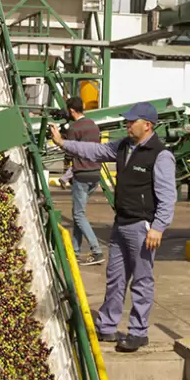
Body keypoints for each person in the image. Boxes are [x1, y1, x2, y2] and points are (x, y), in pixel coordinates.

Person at [49, 101, 176, 353]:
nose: (127, 125)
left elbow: (167, 196)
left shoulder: (160, 156)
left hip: (143, 227)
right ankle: (107, 326)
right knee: (115, 278)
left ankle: (139, 333)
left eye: (132, 121)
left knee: (141, 281)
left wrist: (158, 227)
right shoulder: (123, 146)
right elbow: (95, 152)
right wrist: (63, 143)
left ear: (147, 125)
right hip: (121, 223)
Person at [61, 96, 105, 266]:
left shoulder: (74, 128)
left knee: (78, 215)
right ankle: (75, 251)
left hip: (82, 175)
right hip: (95, 174)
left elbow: (69, 152)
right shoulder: (93, 125)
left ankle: (97, 250)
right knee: (78, 214)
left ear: (72, 111)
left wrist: (61, 137)